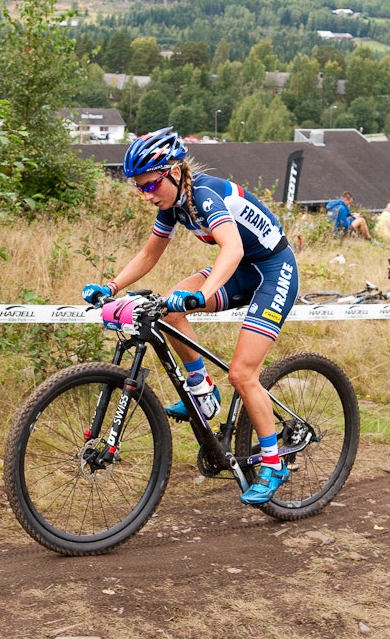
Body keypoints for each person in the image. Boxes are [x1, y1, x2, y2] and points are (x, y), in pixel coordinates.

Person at [81, 127, 299, 505]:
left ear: (175, 171)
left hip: (273, 270)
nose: (146, 195)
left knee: (243, 374)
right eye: (139, 188)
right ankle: (203, 392)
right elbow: (150, 255)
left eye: (151, 185)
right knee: (167, 308)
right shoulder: (174, 205)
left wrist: (201, 294)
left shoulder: (204, 195)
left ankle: (273, 462)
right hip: (243, 269)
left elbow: (230, 249)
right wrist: (112, 286)